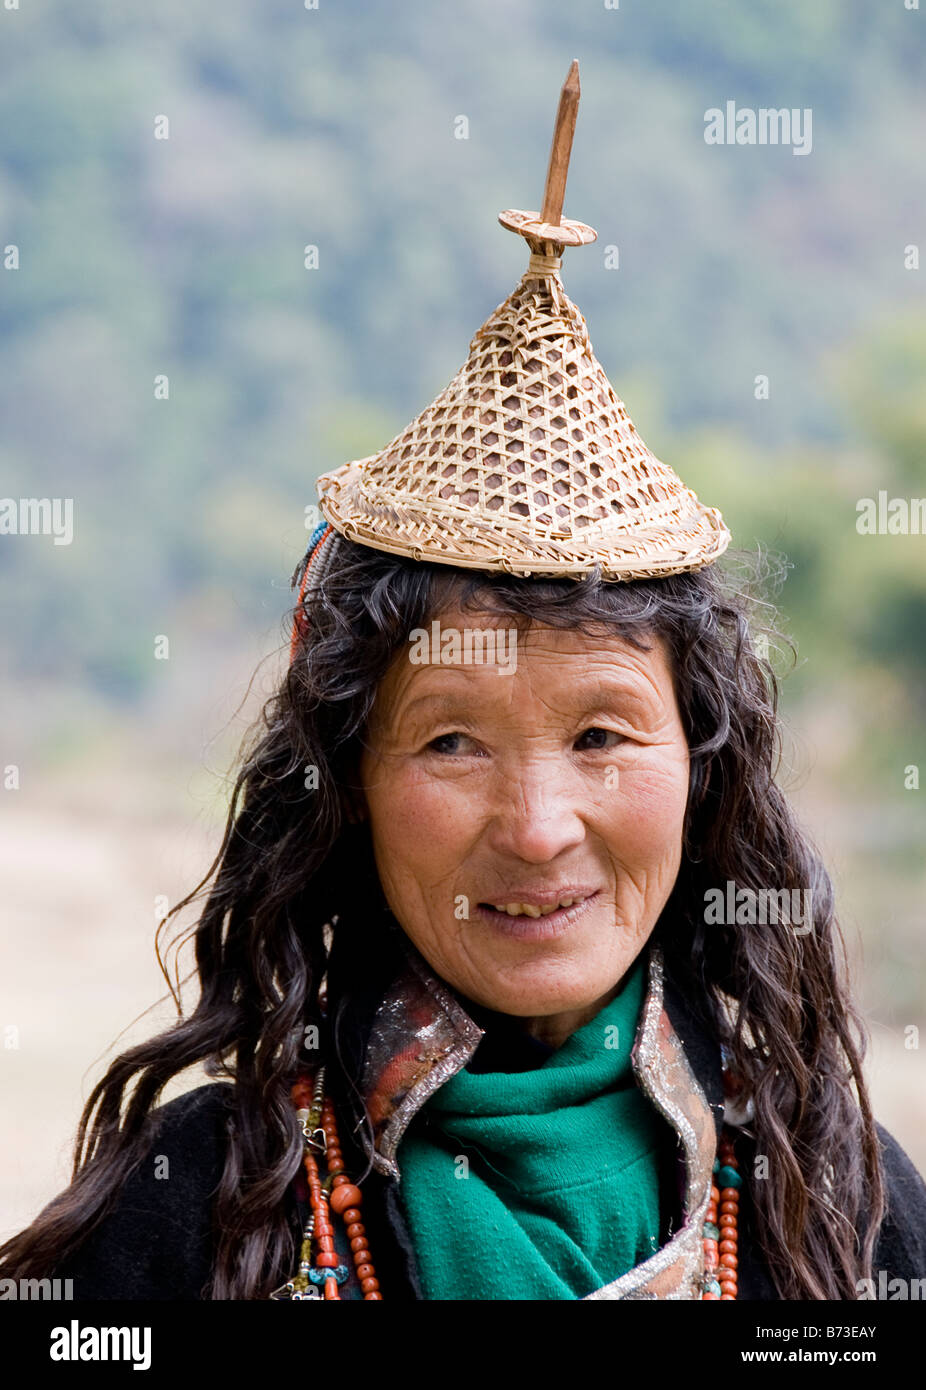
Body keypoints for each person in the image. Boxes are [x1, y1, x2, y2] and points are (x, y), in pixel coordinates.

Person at [3, 64, 925, 1303]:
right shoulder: (193, 1209)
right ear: (348, 788)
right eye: (449, 744)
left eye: (602, 733)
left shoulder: (839, 1206)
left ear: (699, 775)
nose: (538, 828)